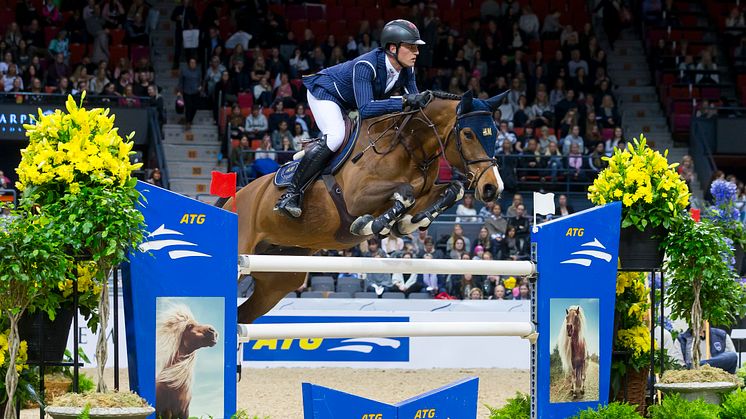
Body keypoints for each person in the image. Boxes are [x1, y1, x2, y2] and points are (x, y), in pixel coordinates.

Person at [275, 19, 431, 218]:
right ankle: (291, 194)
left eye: (416, 48)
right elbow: (366, 109)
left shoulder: (407, 69)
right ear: (393, 48)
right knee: (335, 137)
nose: (416, 52)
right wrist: (402, 101)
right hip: (326, 94)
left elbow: (414, 103)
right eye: (411, 47)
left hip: (350, 103)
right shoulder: (367, 65)